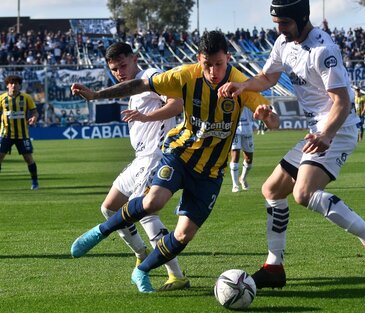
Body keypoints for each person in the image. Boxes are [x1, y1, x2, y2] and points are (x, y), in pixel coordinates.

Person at [70, 30, 280, 293]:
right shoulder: (184, 75)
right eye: (207, 64)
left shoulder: (240, 83)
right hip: (180, 154)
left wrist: (266, 116)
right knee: (152, 202)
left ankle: (142, 269)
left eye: (219, 64)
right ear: (198, 59)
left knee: (183, 235)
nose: (213, 71)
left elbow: (273, 122)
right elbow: (140, 84)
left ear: (228, 58)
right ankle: (100, 232)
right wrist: (96, 95)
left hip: (211, 171)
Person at [218, 0, 365, 289]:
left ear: (302, 18)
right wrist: (243, 86)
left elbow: (342, 101)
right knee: (272, 190)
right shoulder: (283, 43)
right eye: (277, 23)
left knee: (304, 192)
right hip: (316, 131)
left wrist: (326, 135)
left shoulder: (324, 50)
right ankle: (274, 267)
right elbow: (268, 77)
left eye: (285, 23)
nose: (280, 29)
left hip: (338, 129)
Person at [72, 42, 189, 290]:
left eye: (123, 65)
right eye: (114, 69)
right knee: (109, 207)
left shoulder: (151, 76)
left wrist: (146, 117)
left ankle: (176, 275)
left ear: (135, 59)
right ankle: (141, 253)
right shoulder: (134, 88)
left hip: (156, 157)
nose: (119, 72)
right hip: (140, 159)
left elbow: (177, 104)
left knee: (145, 214)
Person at [0, 75, 39, 190]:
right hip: (5, 134)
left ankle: (35, 182)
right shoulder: (2, 98)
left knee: (28, 158)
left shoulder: (26, 97)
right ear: (7, 85)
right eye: (11, 83)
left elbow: (34, 112)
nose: (14, 85)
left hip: (22, 135)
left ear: (19, 85)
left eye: (16, 83)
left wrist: (34, 118)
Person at [230, 107, 255, 192]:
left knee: (249, 160)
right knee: (235, 155)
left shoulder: (250, 95)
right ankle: (235, 185)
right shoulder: (232, 94)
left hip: (247, 129)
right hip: (234, 129)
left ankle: (242, 178)